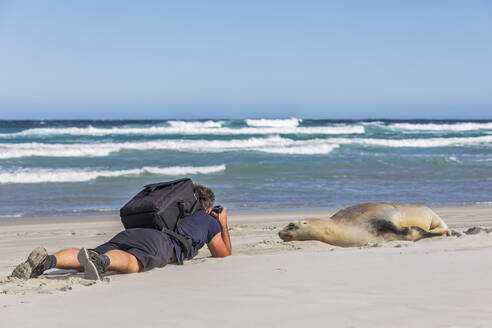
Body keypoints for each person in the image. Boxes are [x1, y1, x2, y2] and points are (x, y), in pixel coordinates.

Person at [11, 185, 231, 281]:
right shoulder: (206, 220)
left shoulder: (173, 211)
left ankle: (47, 261)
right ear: (208, 207)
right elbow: (223, 253)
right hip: (160, 242)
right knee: (135, 261)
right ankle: (102, 262)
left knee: (88, 253)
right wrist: (222, 223)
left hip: (134, 232)